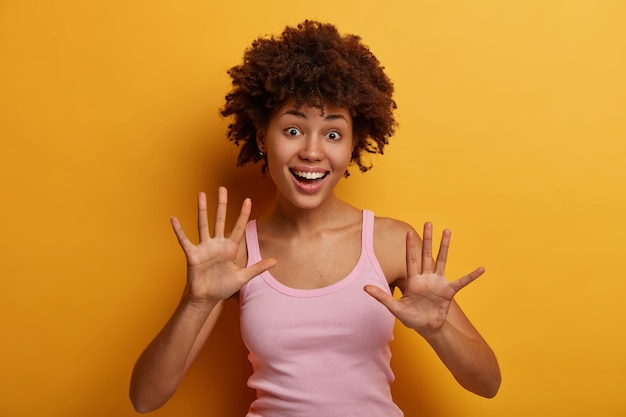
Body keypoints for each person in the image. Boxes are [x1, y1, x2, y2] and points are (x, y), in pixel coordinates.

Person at [129, 20, 501, 416]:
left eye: (333, 134)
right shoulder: (235, 256)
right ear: (261, 136)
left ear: (353, 143)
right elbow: (145, 399)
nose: (312, 151)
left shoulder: (391, 243)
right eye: (293, 129)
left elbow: (487, 384)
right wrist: (195, 301)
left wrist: (438, 328)